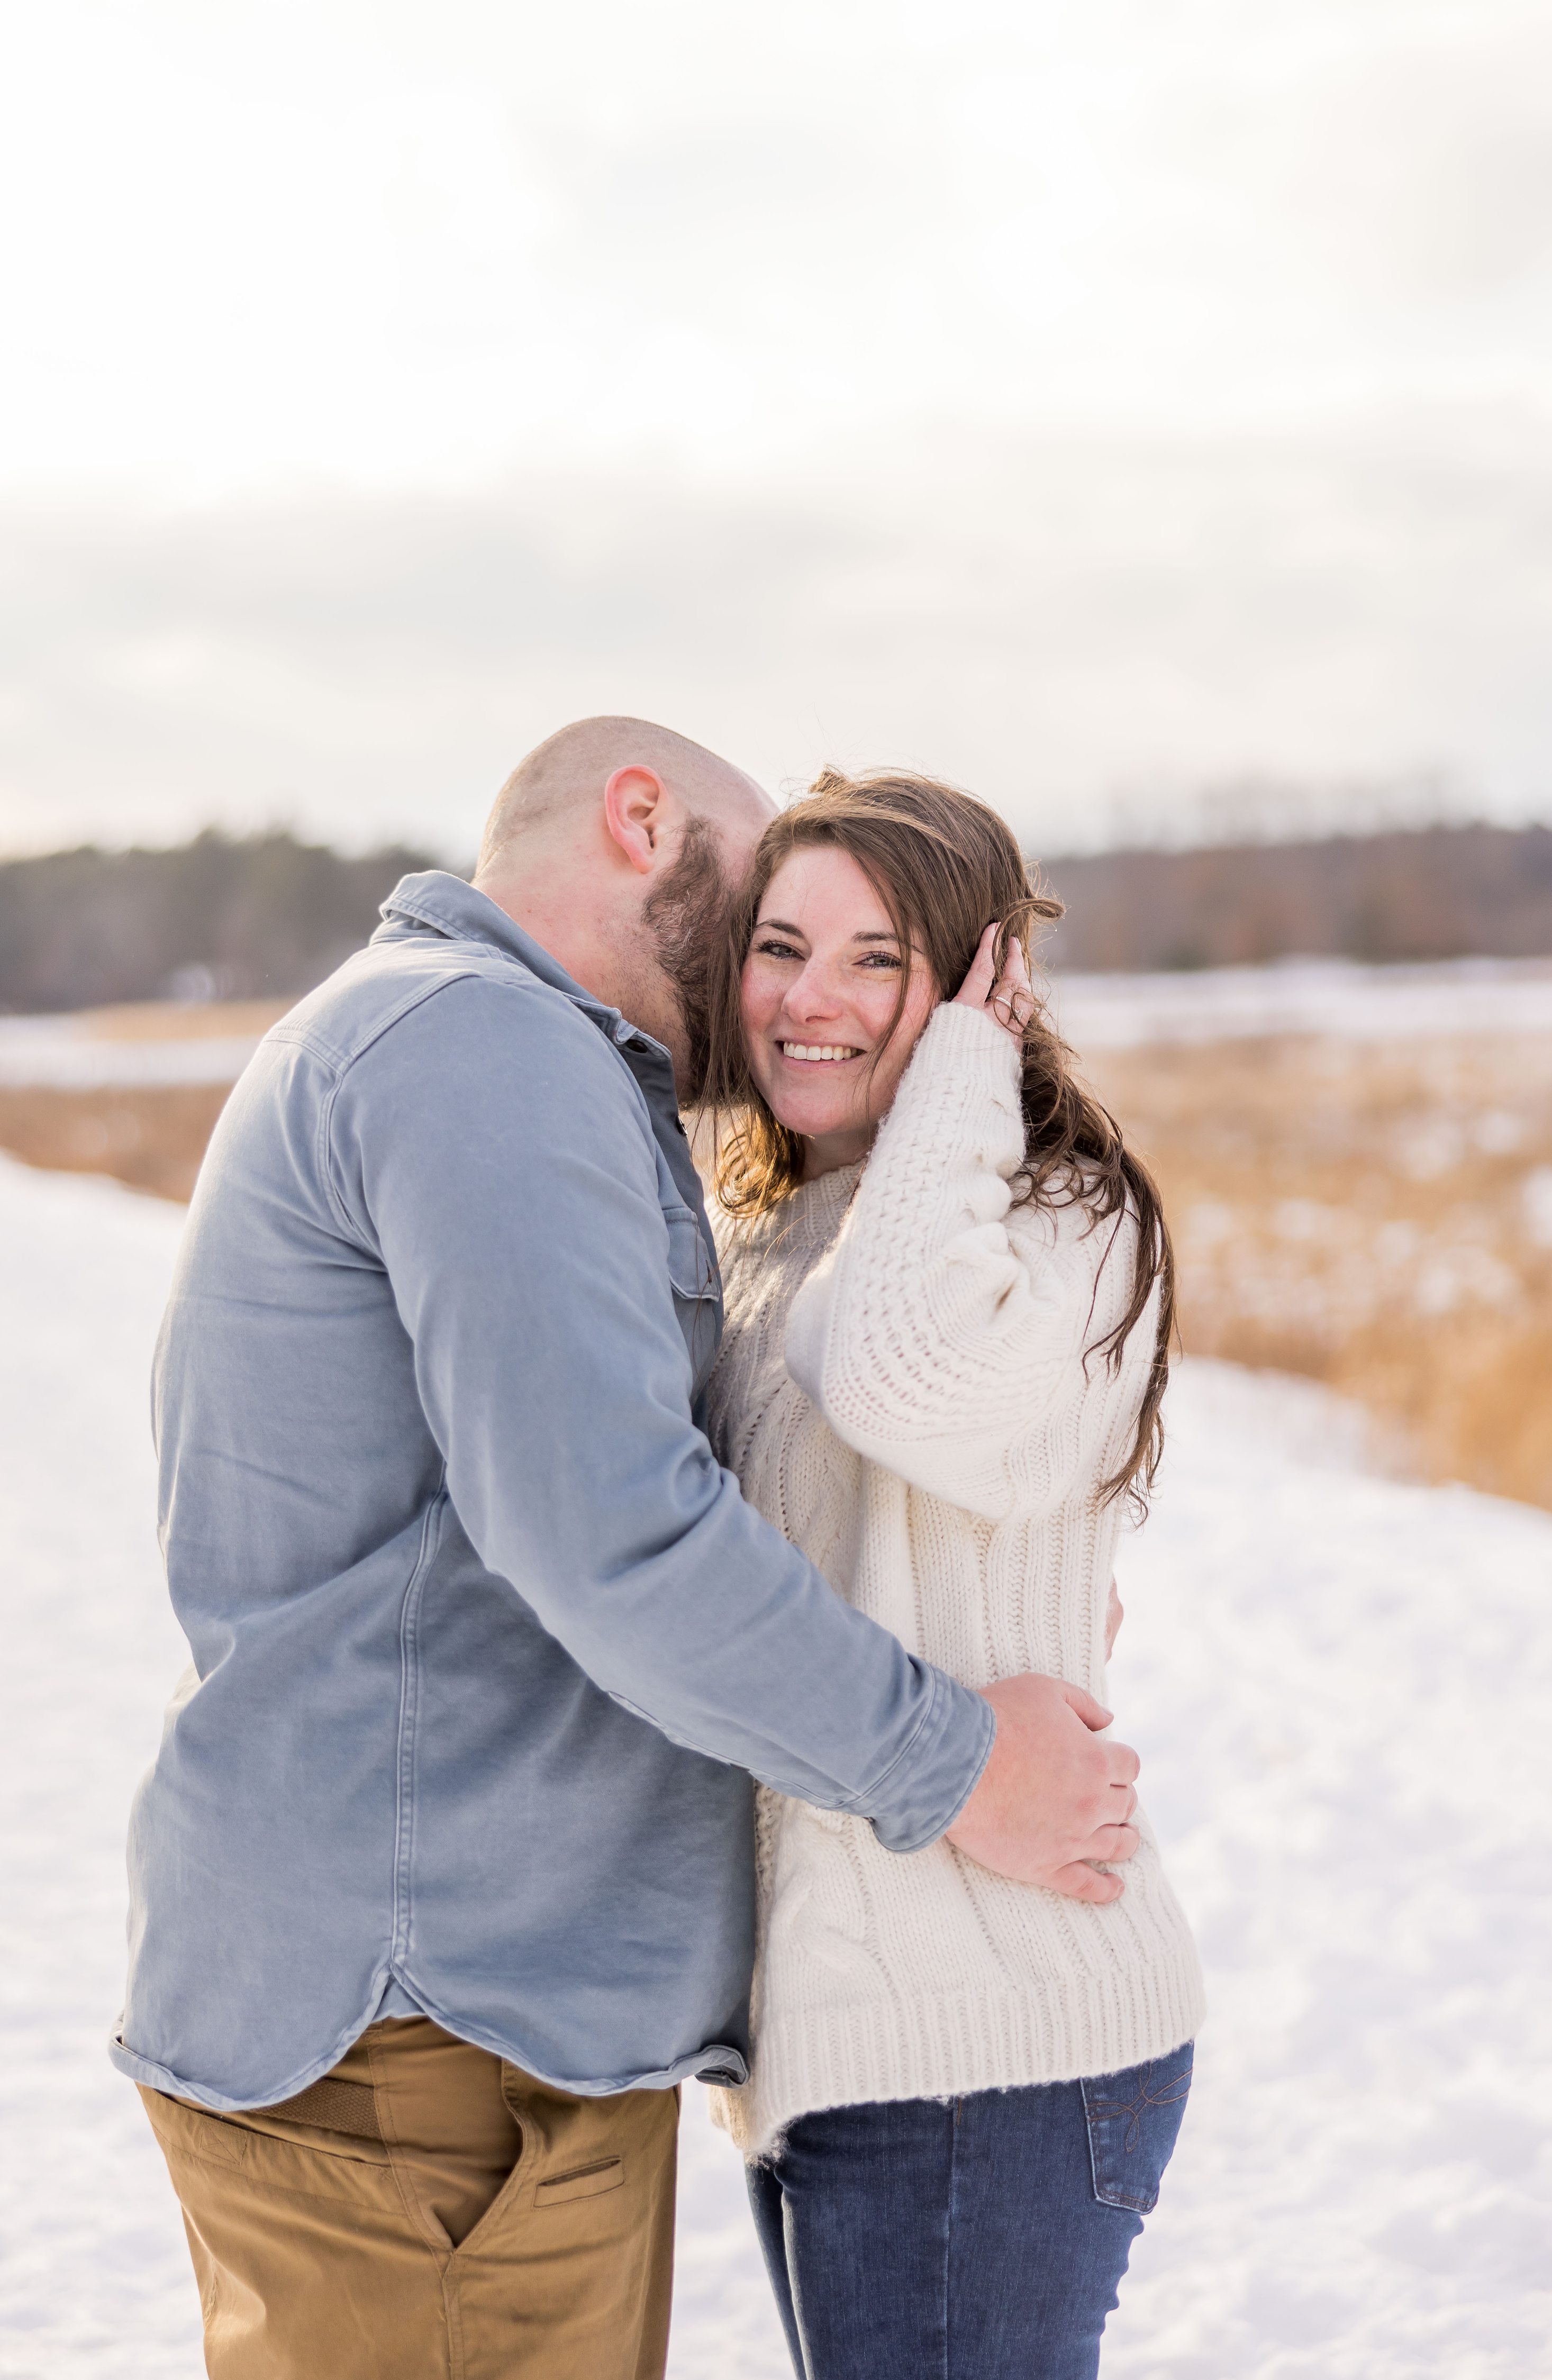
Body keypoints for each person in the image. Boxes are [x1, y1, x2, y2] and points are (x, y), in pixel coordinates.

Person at [114, 717, 1147, 2380]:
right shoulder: (482, 1049)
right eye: (761, 923)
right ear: (639, 815)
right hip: (427, 2040)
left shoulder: (457, 1046)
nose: (772, 986)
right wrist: (963, 1764)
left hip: (446, 2028)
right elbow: (611, 1534)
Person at [697, 767, 1205, 2380]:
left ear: (983, 980)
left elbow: (903, 1378)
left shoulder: (1065, 1219)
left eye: (876, 959)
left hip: (992, 2043)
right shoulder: (778, 1233)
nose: (809, 999)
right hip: (839, 2049)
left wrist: (965, 1081)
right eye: (780, 948)